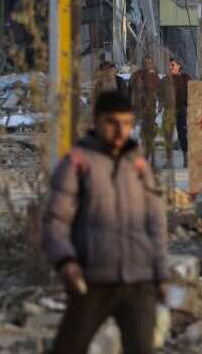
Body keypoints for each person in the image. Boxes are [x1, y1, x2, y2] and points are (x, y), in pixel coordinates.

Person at [44, 91, 167, 354]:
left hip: (138, 280)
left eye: (126, 123)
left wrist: (161, 274)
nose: (120, 130)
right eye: (112, 122)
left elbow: (155, 223)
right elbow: (56, 220)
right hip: (92, 279)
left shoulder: (138, 164)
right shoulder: (77, 163)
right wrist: (66, 261)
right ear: (97, 121)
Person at [128, 56, 162, 166]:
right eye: (145, 62)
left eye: (149, 62)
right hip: (137, 109)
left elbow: (160, 92)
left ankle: (148, 158)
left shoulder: (155, 76)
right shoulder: (136, 75)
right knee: (137, 134)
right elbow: (129, 92)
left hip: (150, 110)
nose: (147, 64)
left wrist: (160, 104)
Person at [160, 58, 192, 168]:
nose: (170, 67)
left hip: (181, 112)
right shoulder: (164, 80)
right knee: (168, 136)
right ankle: (169, 161)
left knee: (183, 136)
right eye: (169, 65)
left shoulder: (186, 78)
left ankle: (186, 160)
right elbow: (160, 94)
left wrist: (188, 105)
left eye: (172, 65)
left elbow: (192, 94)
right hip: (168, 111)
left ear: (179, 66)